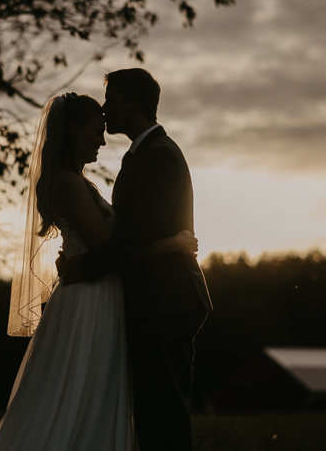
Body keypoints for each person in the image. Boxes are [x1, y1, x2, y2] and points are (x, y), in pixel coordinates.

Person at [0, 92, 199, 451]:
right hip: (89, 299)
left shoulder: (74, 182)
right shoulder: (68, 182)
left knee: (91, 394)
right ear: (74, 132)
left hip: (99, 292)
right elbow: (108, 246)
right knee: (82, 392)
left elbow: (106, 247)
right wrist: (172, 244)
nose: (102, 139)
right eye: (95, 131)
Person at [58, 68, 213, 451]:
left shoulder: (159, 155)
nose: (106, 110)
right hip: (151, 302)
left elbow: (136, 234)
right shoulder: (143, 153)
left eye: (111, 100)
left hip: (165, 301)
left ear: (134, 104)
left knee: (163, 417)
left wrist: (84, 268)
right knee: (151, 415)